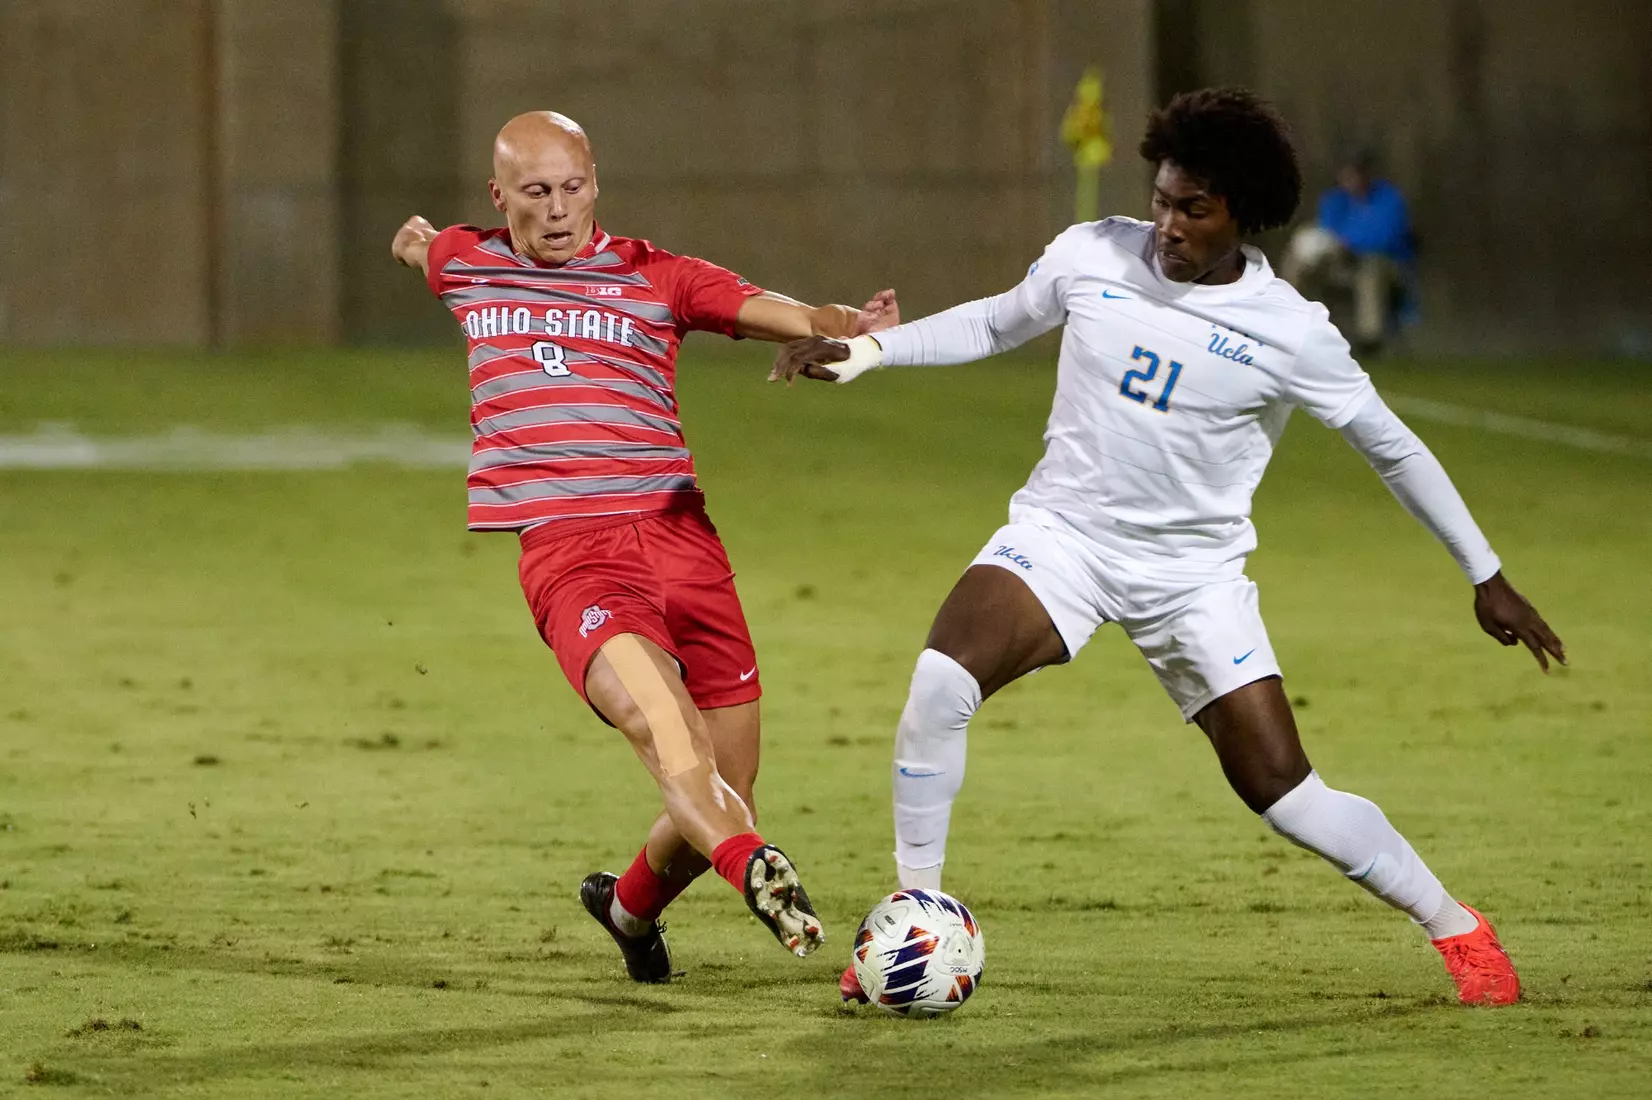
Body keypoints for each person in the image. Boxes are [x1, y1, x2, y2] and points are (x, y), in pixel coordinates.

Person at [772, 88, 1563, 1009]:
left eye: (1194, 209)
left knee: (1286, 792)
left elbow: (1394, 447)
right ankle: (917, 914)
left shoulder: (1291, 331)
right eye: (1161, 199)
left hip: (1193, 580)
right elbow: (996, 321)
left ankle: (1455, 926)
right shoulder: (1091, 253)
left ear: (1243, 215)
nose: (1167, 225)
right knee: (942, 683)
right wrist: (872, 354)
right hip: (1062, 539)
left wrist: (1487, 575)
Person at [391, 110, 899, 982]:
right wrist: (414, 242)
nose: (557, 212)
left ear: (597, 182)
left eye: (574, 189)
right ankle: (757, 869)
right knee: (668, 731)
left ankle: (627, 909)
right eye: (536, 193)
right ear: (499, 196)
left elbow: (789, 311)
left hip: (683, 544)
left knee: (725, 778)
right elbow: (422, 247)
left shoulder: (658, 277)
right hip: (574, 555)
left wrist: (850, 323)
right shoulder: (468, 264)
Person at [1282, 150, 1414, 354]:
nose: (1353, 179)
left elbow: (1386, 238)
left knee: (1370, 271)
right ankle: (1290, 322)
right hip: (1341, 265)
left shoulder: (1388, 199)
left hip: (1385, 267)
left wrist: (1348, 243)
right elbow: (1325, 233)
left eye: (1359, 173)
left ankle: (1370, 340)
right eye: (1349, 173)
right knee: (1298, 262)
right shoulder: (1335, 201)